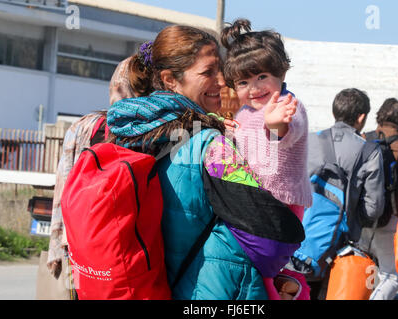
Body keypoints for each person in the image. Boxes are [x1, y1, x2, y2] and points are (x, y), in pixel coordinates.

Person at [106, 25, 304, 300]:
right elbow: (271, 241)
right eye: (208, 72)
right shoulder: (212, 146)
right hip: (216, 289)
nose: (222, 81)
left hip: (154, 285)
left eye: (220, 71)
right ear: (170, 79)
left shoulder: (127, 134)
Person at [219, 18, 312, 299]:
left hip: (281, 203)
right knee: (258, 269)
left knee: (260, 265)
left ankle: (293, 290)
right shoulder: (244, 113)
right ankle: (290, 287)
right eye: (244, 82)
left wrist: (274, 125)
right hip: (256, 202)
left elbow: (286, 131)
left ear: (281, 73)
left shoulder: (287, 104)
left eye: (262, 77)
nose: (254, 88)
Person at [47, 56, 137, 279]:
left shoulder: (85, 126)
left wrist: (59, 242)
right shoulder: (158, 130)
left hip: (82, 245)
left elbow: (64, 188)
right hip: (126, 254)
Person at [305, 88, 385, 299]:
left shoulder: (309, 140)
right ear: (361, 117)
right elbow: (373, 208)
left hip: (301, 242)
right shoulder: (369, 151)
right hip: (340, 248)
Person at [358, 98, 398, 300]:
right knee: (391, 276)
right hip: (389, 217)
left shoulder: (365, 138)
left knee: (363, 269)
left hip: (363, 216)